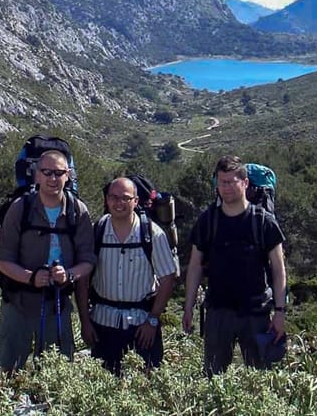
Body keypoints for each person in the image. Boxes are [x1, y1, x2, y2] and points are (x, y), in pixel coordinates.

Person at [182, 155, 287, 376]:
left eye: (232, 182)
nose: (226, 188)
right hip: (218, 313)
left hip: (256, 313)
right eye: (222, 182)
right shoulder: (208, 220)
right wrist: (188, 306)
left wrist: (280, 312)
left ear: (245, 183)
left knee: (259, 381)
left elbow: (278, 270)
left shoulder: (263, 221)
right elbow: (195, 266)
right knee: (213, 378)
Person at [0, 149, 96, 373]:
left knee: (57, 374)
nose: (53, 178)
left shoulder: (78, 211)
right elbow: (4, 260)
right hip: (18, 302)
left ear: (68, 175)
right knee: (7, 370)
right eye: (47, 172)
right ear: (36, 175)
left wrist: (69, 275)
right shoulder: (20, 208)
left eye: (59, 173)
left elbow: (88, 260)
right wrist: (30, 277)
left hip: (57, 305)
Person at [77, 177, 178, 375]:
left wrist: (153, 320)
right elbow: (82, 279)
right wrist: (85, 322)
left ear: (135, 201)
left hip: (142, 328)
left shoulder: (152, 234)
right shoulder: (97, 231)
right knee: (103, 388)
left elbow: (168, 278)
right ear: (106, 200)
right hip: (102, 326)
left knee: (145, 387)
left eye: (125, 198)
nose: (118, 203)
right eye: (113, 197)